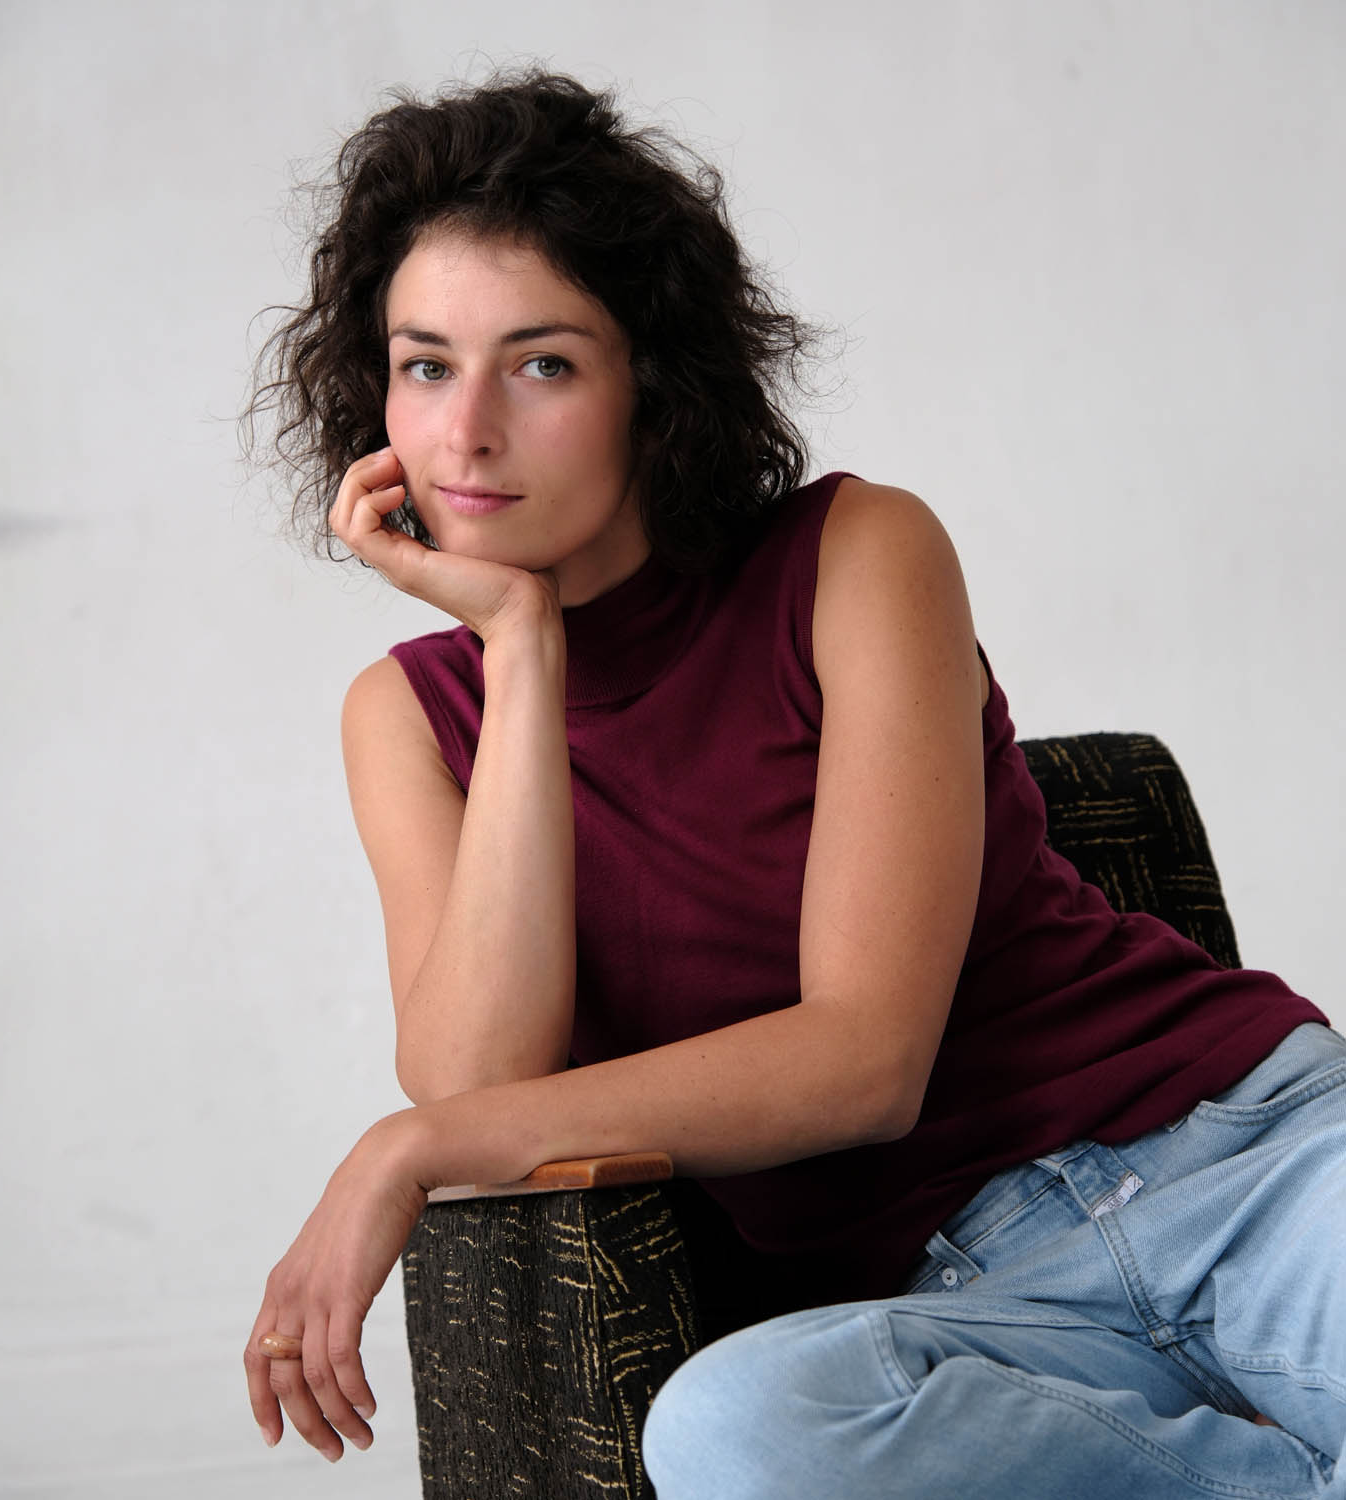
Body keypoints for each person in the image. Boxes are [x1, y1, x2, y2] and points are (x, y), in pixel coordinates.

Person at [243, 70, 1346, 1498]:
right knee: (731, 1437)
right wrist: (520, 649)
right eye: (427, 366)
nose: (467, 434)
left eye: (544, 364)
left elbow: (865, 1060)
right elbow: (487, 1079)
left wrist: (406, 1149)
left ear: (654, 384)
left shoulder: (857, 555)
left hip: (1244, 1163)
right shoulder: (410, 715)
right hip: (958, 1315)